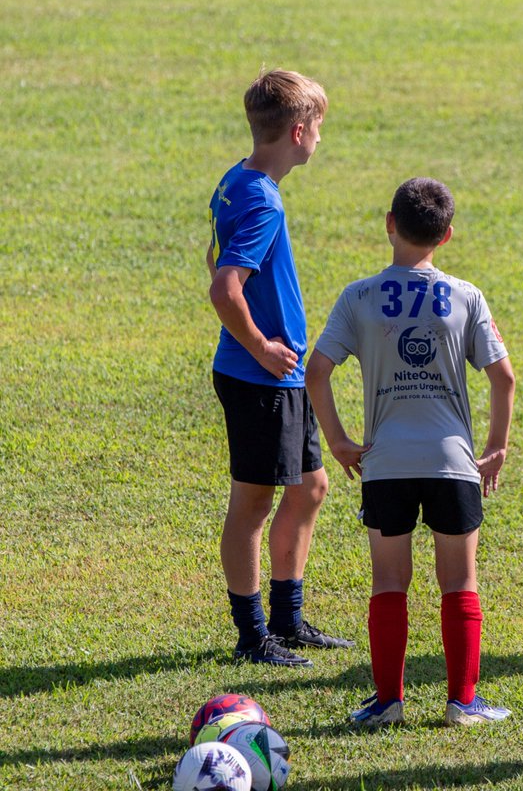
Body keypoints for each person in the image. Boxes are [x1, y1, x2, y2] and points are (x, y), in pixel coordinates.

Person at [306, 177, 516, 728]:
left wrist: (339, 441)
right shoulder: (466, 296)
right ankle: (462, 703)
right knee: (459, 583)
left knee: (389, 583)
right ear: (446, 236)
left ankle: (388, 701)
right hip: (453, 462)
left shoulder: (359, 296)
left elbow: (317, 371)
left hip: (386, 462)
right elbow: (504, 377)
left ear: (389, 224)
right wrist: (495, 447)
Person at [207, 69, 352, 668]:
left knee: (311, 486)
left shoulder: (237, 180)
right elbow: (224, 284)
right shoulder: (264, 200)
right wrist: (263, 345)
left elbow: (212, 252)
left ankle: (289, 620)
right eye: (318, 127)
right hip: (260, 376)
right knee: (253, 505)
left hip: (280, 376)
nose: (319, 138)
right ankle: (252, 634)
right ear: (298, 131)